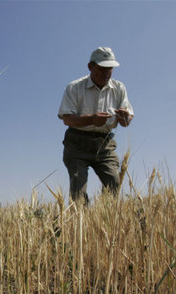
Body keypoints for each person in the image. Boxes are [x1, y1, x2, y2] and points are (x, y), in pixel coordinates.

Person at [58, 47, 134, 205]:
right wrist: (91, 119)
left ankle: (105, 222)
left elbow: (127, 120)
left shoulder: (119, 88)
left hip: (105, 144)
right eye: (102, 69)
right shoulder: (74, 87)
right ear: (90, 66)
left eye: (110, 69)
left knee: (113, 183)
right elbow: (67, 119)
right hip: (77, 144)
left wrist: (124, 118)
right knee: (78, 190)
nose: (106, 73)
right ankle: (81, 224)